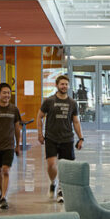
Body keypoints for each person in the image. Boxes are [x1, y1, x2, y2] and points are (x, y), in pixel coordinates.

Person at [38, 74, 84, 202]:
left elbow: (75, 122)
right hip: (51, 138)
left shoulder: (72, 103)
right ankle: (53, 182)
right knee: (52, 165)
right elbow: (39, 116)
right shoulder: (49, 101)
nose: (64, 86)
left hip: (67, 139)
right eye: (62, 84)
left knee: (65, 167)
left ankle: (61, 190)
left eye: (66, 84)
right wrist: (39, 134)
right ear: (57, 85)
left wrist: (81, 138)